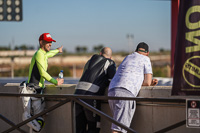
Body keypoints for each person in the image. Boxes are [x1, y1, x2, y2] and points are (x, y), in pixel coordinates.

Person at [108, 42, 158, 133]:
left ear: (136, 50)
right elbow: (147, 82)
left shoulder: (127, 57)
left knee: (118, 124)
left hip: (112, 90)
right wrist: (150, 83)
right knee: (118, 129)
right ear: (147, 53)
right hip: (125, 93)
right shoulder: (146, 59)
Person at [20, 33, 64, 132]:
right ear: (41, 42)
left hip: (37, 91)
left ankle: (29, 119)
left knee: (38, 121)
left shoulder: (43, 54)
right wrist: (55, 82)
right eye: (48, 42)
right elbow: (43, 73)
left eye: (51, 42)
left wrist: (57, 50)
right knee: (36, 122)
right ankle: (26, 117)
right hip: (32, 91)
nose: (50, 44)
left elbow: (49, 54)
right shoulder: (39, 54)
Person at [74, 47, 116, 133]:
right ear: (110, 57)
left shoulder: (89, 61)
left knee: (79, 128)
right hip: (91, 97)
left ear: (100, 54)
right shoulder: (110, 63)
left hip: (76, 95)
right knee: (93, 128)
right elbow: (113, 81)